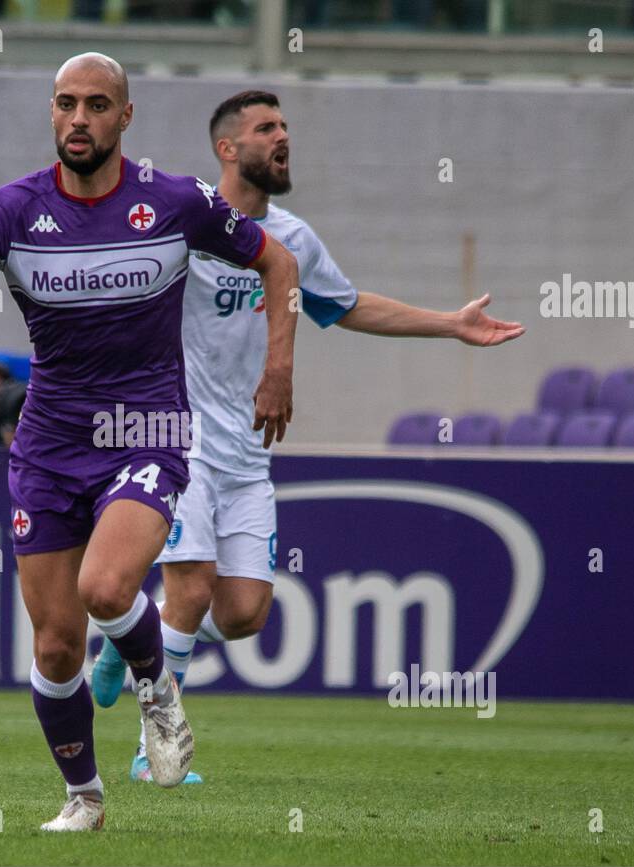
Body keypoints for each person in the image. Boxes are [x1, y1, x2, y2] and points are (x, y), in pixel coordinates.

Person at [0, 53, 300, 831]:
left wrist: (278, 367)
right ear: (53, 113)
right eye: (66, 104)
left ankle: (158, 692)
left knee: (107, 589)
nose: (79, 118)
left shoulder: (176, 202)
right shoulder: (9, 212)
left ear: (125, 116)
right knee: (54, 649)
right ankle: (84, 799)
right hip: (47, 443)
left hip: (146, 430)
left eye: (97, 105)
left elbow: (277, 261)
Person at [92, 89, 524, 783]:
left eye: (286, 126)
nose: (282, 136)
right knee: (194, 589)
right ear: (227, 148)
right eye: (266, 128)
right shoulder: (184, 223)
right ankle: (153, 752)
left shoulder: (293, 239)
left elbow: (348, 307)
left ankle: (130, 634)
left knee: (243, 614)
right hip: (178, 439)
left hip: (247, 455)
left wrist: (451, 323)